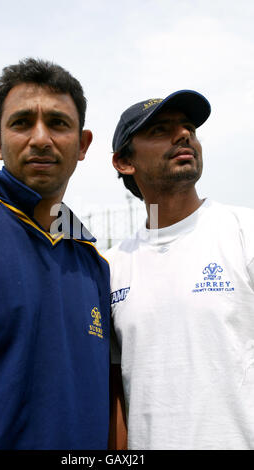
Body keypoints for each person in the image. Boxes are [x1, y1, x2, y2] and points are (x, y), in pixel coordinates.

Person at [0, 58, 110, 450]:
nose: (40, 138)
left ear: (83, 144)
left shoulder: (95, 264)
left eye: (58, 123)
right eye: (22, 122)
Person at [106, 90, 254, 450]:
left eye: (189, 127)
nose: (184, 135)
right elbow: (115, 397)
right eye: (160, 130)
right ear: (125, 162)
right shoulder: (111, 267)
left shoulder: (244, 232)